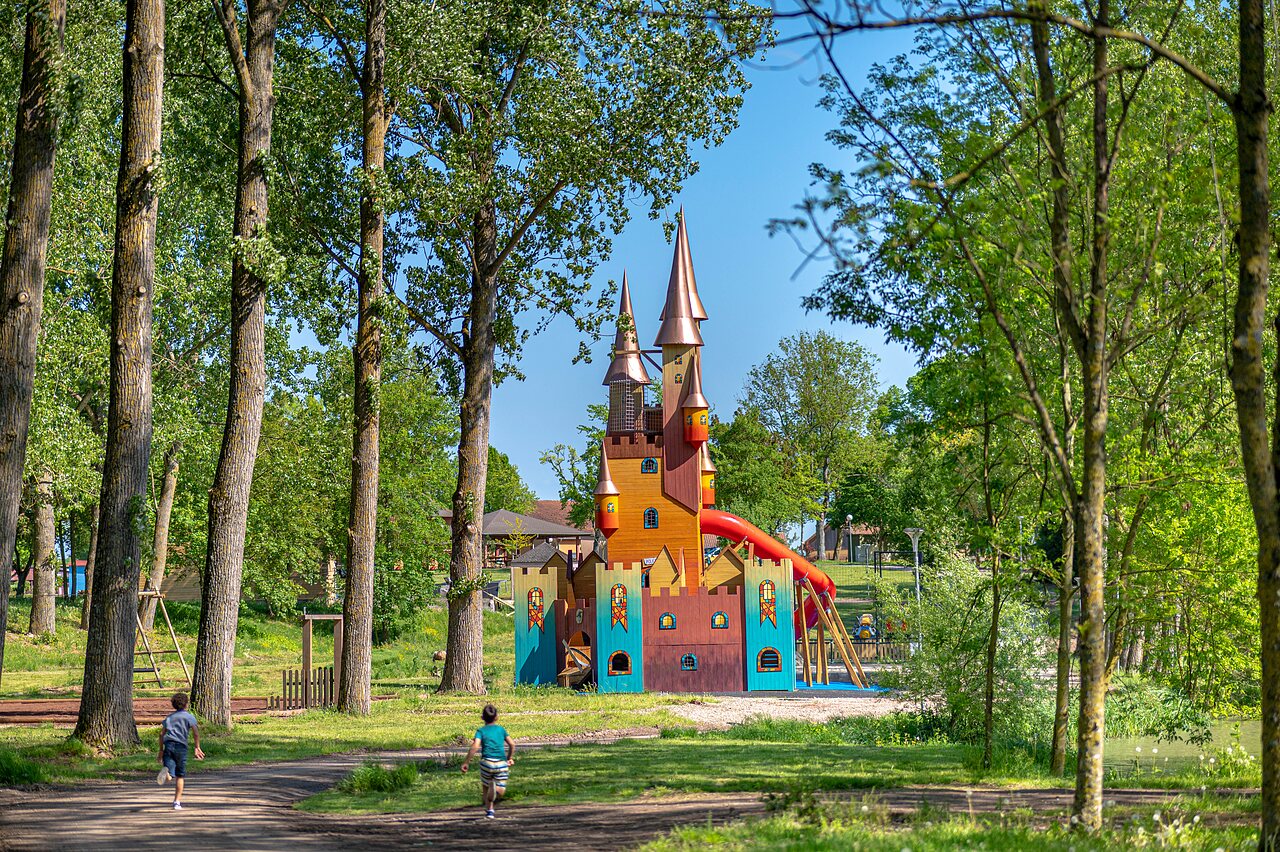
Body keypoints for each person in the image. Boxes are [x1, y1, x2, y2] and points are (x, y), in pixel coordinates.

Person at [460, 703, 514, 819]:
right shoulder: (501, 730)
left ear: (482, 718)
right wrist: (509, 758)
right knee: (500, 787)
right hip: (501, 763)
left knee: (486, 786)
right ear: (497, 717)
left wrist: (466, 762)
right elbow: (512, 744)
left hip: (486, 763)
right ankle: (497, 792)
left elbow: (475, 746)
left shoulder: (481, 731)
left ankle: (490, 811)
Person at [156, 692, 204, 810]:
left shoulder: (170, 718)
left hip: (169, 745)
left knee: (170, 773)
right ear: (186, 704)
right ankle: (177, 802)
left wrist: (161, 750)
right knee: (180, 775)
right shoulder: (189, 717)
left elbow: (161, 734)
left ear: (173, 705)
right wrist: (197, 747)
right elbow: (196, 733)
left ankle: (166, 774)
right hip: (181, 747)